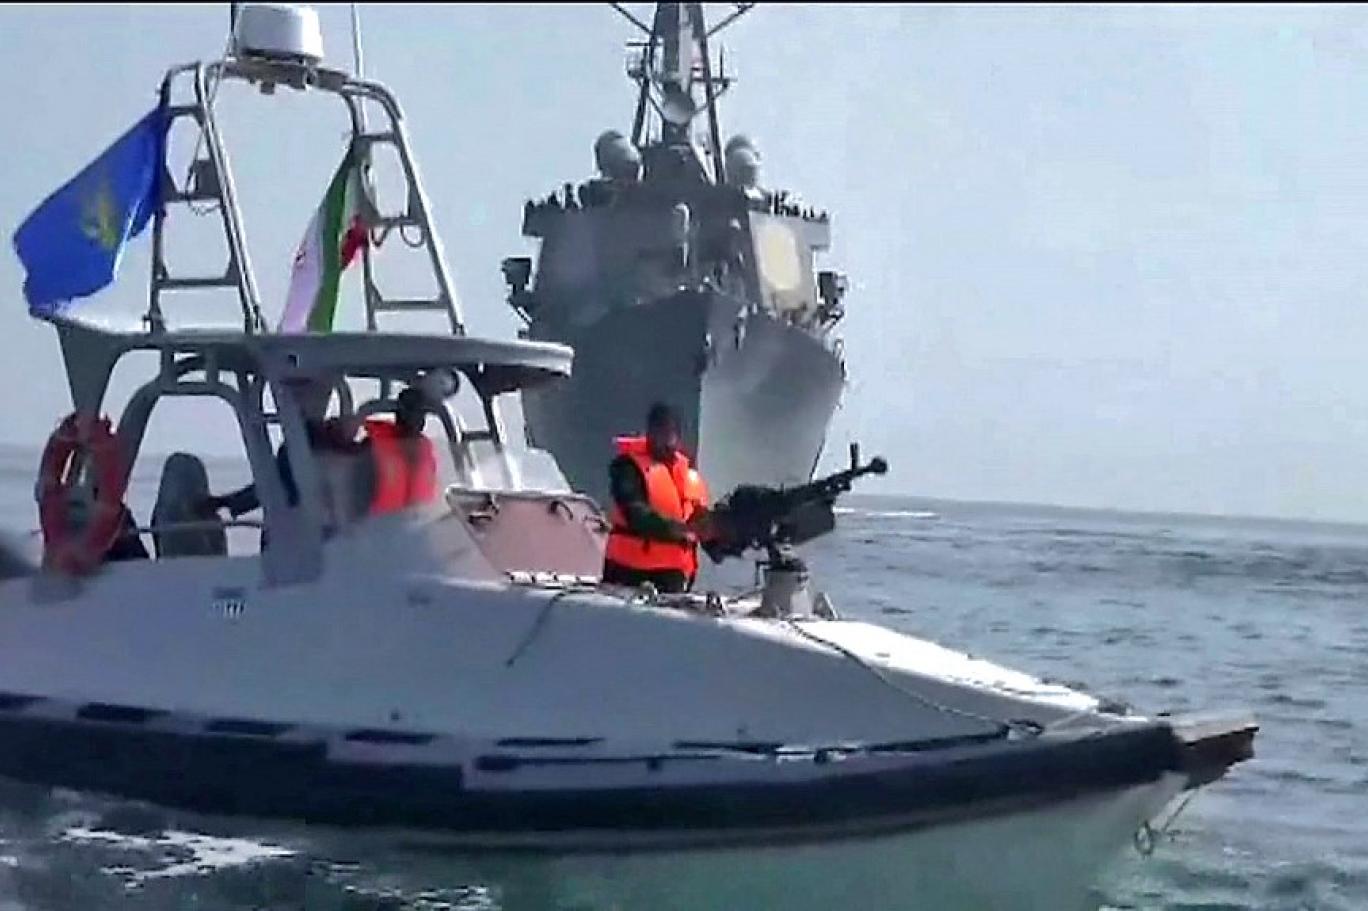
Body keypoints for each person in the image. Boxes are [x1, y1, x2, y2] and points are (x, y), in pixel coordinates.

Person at [602, 402, 711, 593]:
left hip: (673, 576)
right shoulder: (627, 468)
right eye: (658, 432)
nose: (664, 441)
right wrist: (675, 528)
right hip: (629, 573)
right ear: (649, 433)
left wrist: (721, 534)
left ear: (678, 437)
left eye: (669, 434)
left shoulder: (688, 475)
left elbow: (700, 518)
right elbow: (635, 512)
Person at [360, 386, 439, 515]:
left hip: (420, 523)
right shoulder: (370, 447)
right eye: (409, 411)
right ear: (398, 414)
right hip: (378, 524)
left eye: (420, 413)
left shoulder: (427, 451)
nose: (415, 418)